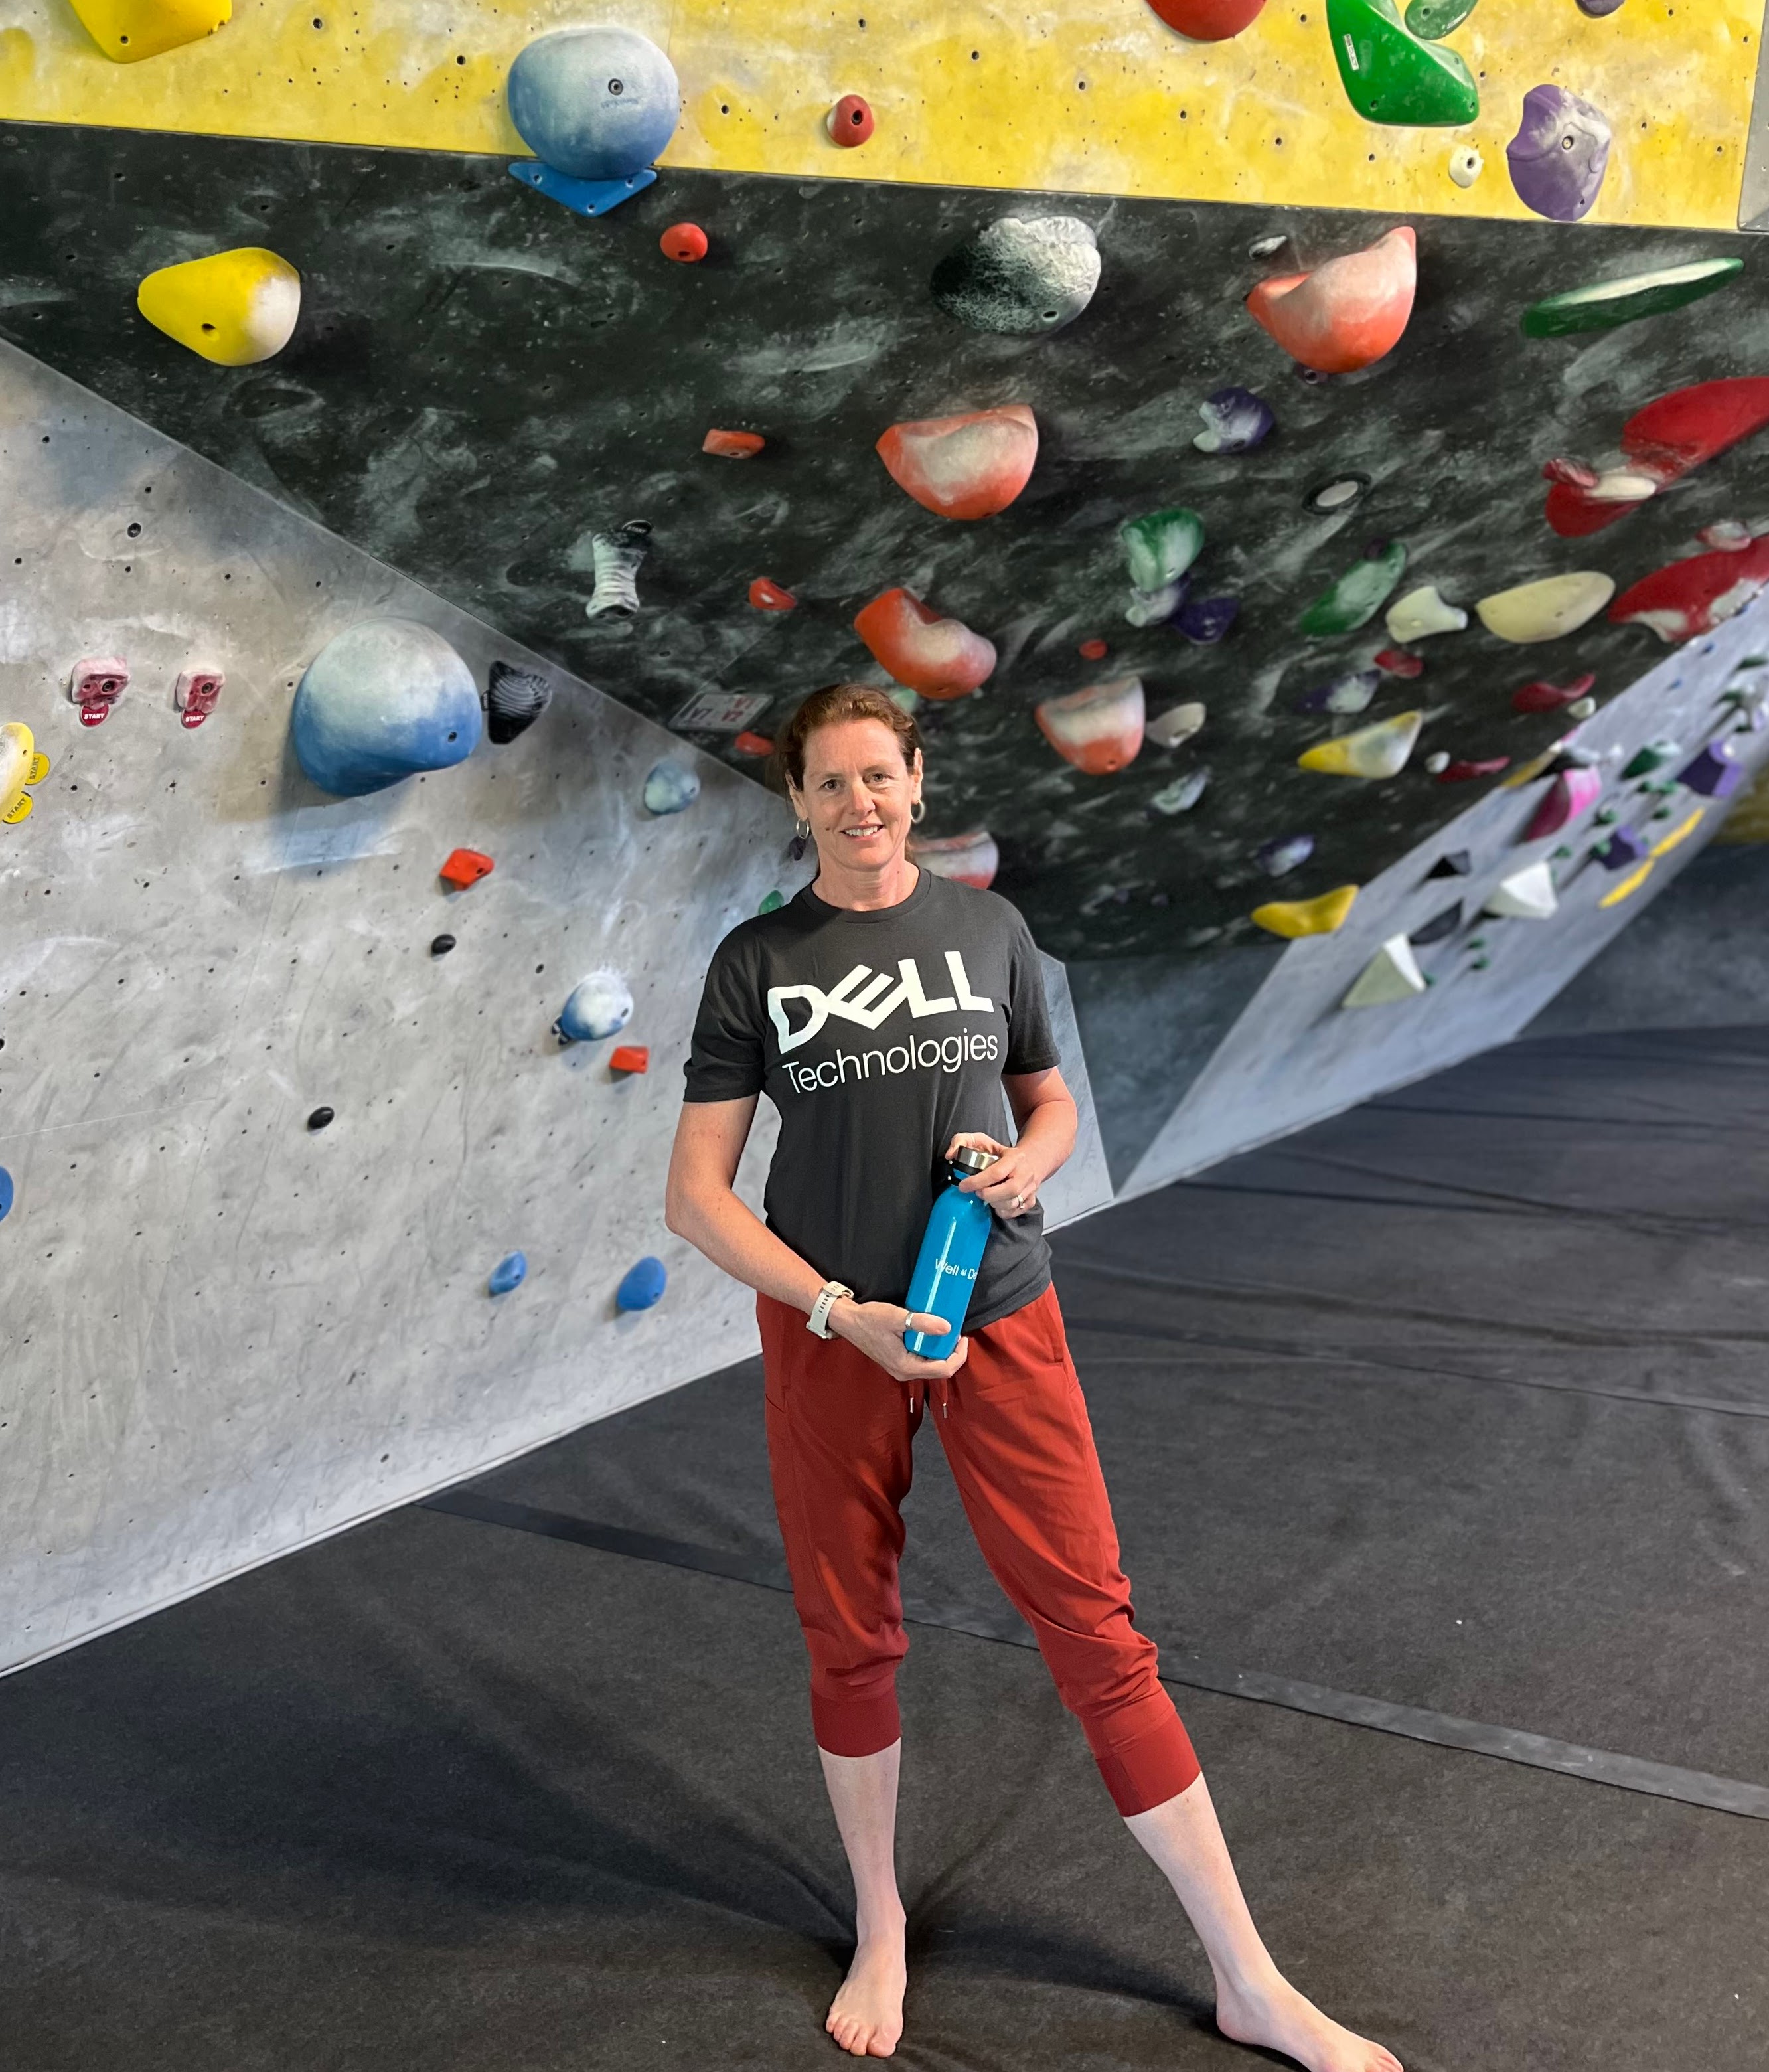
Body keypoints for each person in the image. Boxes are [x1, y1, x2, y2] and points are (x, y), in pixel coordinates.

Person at [664, 684, 1401, 2072]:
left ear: (918, 783)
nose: (859, 802)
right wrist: (837, 1309)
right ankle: (877, 1923)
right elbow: (696, 1198)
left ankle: (1249, 1979)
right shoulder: (755, 961)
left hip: (998, 1308)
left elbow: (1050, 1101)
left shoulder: (990, 930)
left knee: (1096, 1628)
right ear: (798, 801)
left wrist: (1026, 1163)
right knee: (848, 1632)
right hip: (841, 1335)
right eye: (829, 783)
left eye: (878, 774)